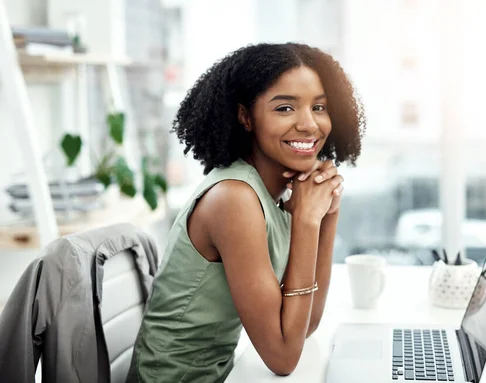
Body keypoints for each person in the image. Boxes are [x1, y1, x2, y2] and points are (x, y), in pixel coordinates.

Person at [127, 42, 365, 383]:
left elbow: (305, 325)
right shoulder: (234, 199)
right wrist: (308, 220)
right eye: (285, 108)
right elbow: (283, 357)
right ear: (245, 117)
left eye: (320, 107)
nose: (309, 124)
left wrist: (328, 213)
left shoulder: (268, 194)